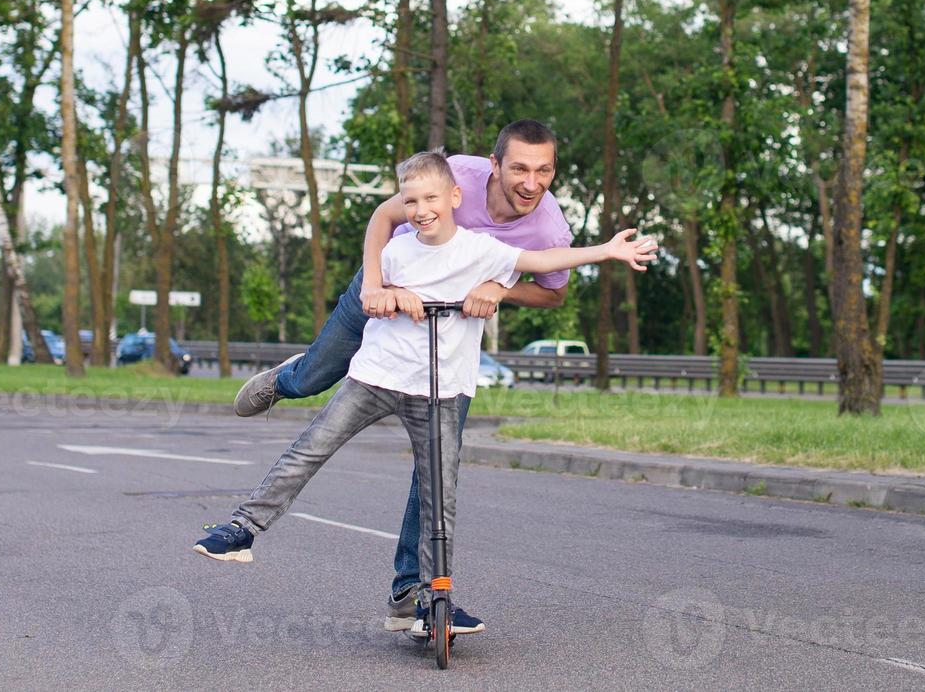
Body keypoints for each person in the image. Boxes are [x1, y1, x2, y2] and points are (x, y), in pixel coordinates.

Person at [194, 151, 656, 638]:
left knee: (439, 495)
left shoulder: (483, 251)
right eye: (410, 200)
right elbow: (377, 281)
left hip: (439, 389)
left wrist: (606, 250)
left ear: (456, 198)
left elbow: (544, 264)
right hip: (375, 377)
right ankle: (242, 528)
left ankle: (433, 596)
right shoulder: (397, 250)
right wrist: (384, 289)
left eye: (430, 198)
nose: (419, 209)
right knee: (310, 448)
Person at [232, 119, 573, 633]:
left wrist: (501, 290)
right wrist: (374, 284)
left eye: (543, 170)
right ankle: (285, 380)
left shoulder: (548, 228)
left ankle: (412, 592)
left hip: (442, 348)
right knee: (319, 375)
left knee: (433, 468)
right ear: (493, 164)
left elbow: (554, 292)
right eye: (519, 168)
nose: (531, 182)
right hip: (387, 287)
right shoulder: (454, 173)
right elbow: (382, 217)